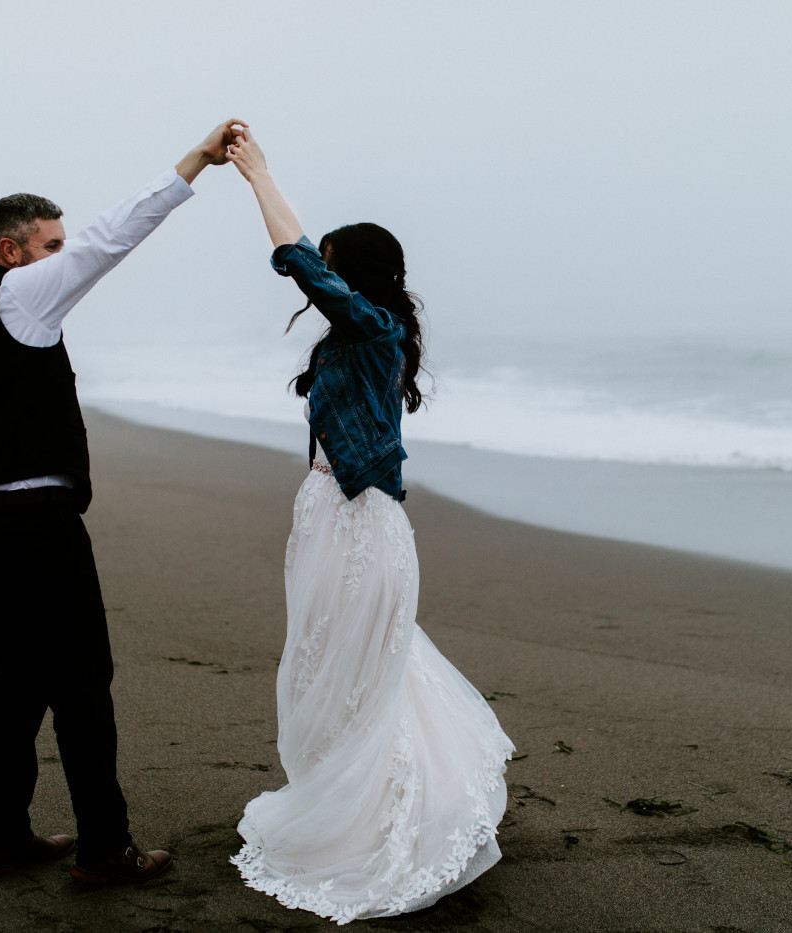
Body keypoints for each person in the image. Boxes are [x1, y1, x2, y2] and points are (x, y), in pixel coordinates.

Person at [0, 118, 246, 885]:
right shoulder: (17, 297)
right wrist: (194, 165)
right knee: (81, 680)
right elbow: (112, 238)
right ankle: (105, 847)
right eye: (50, 247)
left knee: (16, 679)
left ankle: (3, 838)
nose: (63, 260)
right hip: (35, 526)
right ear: (12, 251)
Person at [224, 128, 515, 924]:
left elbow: (301, 263)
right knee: (330, 669)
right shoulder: (359, 337)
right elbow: (311, 264)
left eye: (331, 263)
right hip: (327, 518)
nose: (319, 271)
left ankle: (381, 820)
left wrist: (258, 175)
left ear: (354, 278)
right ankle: (347, 795)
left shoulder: (375, 331)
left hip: (362, 526)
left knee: (354, 673)